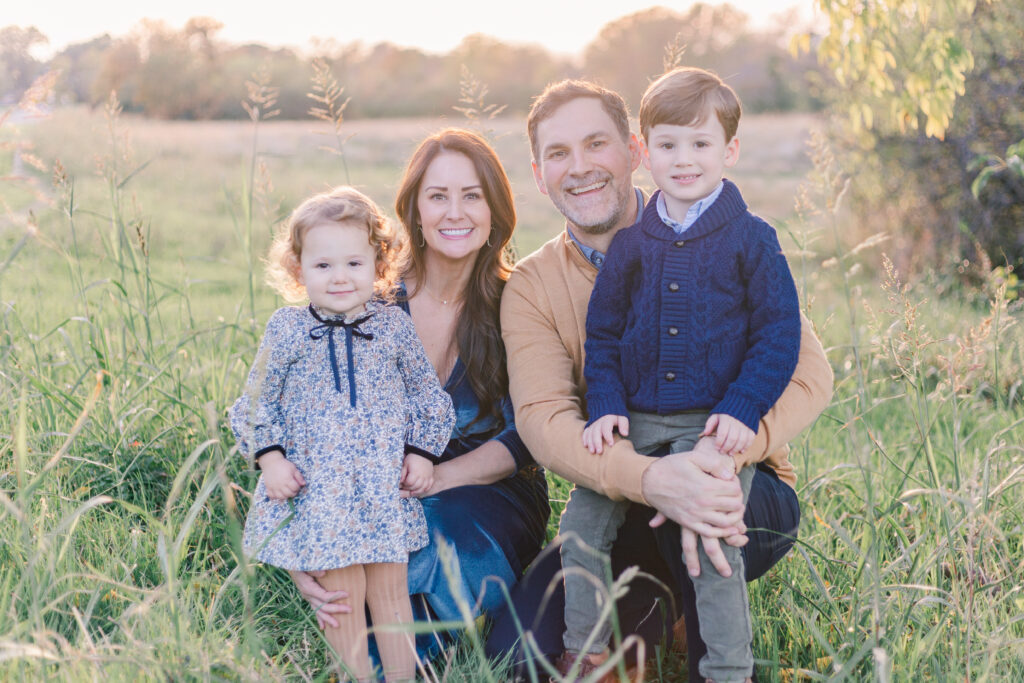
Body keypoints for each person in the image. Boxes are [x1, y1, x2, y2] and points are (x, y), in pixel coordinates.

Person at [496, 79, 834, 681]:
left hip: (737, 483)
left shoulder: (730, 235)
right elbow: (544, 421)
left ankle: (719, 664)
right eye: (558, 154)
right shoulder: (532, 284)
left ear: (632, 151)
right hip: (621, 486)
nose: (580, 168)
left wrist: (721, 456)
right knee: (519, 658)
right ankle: (644, 619)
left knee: (700, 519)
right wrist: (652, 478)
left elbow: (808, 372)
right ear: (539, 171)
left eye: (596, 144)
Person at [563, 67, 802, 683]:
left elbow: (779, 335)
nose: (684, 159)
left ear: (730, 150)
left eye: (701, 144)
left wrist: (744, 407)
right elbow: (606, 333)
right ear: (644, 153)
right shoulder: (632, 246)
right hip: (637, 418)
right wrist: (606, 403)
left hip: (713, 420)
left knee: (714, 532)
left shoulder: (753, 239)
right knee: (583, 519)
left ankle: (726, 670)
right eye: (668, 145)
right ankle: (586, 652)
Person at [287, 129, 550, 665]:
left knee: (419, 539)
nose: (456, 212)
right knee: (361, 555)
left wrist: (436, 479)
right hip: (374, 486)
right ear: (415, 210)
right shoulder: (369, 301)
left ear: (495, 209)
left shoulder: (517, 299)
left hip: (488, 490)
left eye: (472, 195)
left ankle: (418, 644)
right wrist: (300, 546)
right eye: (438, 196)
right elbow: (306, 424)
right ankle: (402, 652)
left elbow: (526, 436)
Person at [230, 186, 456, 682]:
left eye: (354, 264)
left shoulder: (393, 326)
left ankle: (401, 678)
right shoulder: (286, 329)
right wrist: (270, 458)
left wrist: (421, 453)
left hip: (379, 488)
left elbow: (427, 397)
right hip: (320, 492)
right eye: (323, 266)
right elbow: (254, 403)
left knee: (391, 593)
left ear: (379, 266)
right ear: (298, 270)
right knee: (341, 597)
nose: (339, 278)